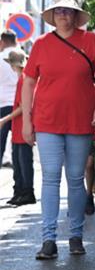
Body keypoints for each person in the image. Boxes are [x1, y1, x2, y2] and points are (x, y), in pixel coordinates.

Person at [22, 0, 95, 259]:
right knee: (50, 178)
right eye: (59, 11)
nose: (63, 15)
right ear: (53, 15)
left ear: (76, 15)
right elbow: (28, 83)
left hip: (81, 119)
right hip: (47, 120)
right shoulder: (41, 44)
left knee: (75, 179)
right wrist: (26, 121)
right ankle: (48, 240)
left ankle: (76, 236)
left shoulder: (90, 41)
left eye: (68, 11)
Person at [0, 49, 35, 206]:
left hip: (22, 126)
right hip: (18, 127)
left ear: (14, 65)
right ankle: (19, 191)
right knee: (18, 160)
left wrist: (4, 119)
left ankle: (27, 192)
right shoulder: (22, 78)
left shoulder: (24, 79)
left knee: (24, 161)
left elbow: (23, 106)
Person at [0, 29, 18, 168]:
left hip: (2, 104)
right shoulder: (22, 56)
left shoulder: (0, 57)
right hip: (19, 104)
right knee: (19, 142)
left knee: (1, 141)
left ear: (2, 42)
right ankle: (18, 168)